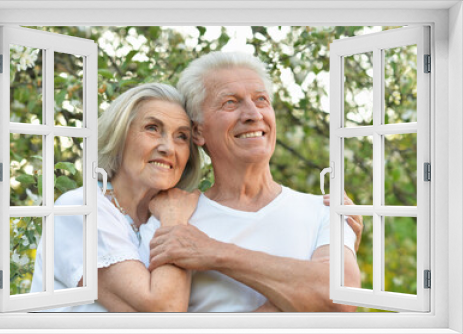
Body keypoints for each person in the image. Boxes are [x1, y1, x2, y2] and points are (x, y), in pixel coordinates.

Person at [142, 52, 363, 312]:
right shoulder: (171, 219)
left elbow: (341, 298)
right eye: (230, 103)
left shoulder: (326, 210)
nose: (253, 114)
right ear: (198, 131)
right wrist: (302, 294)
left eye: (261, 100)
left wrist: (213, 252)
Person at [30, 83, 202, 312]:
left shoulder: (165, 213)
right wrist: (174, 220)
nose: (168, 147)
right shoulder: (81, 208)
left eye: (181, 136)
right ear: (119, 137)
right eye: (152, 128)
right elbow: (163, 313)